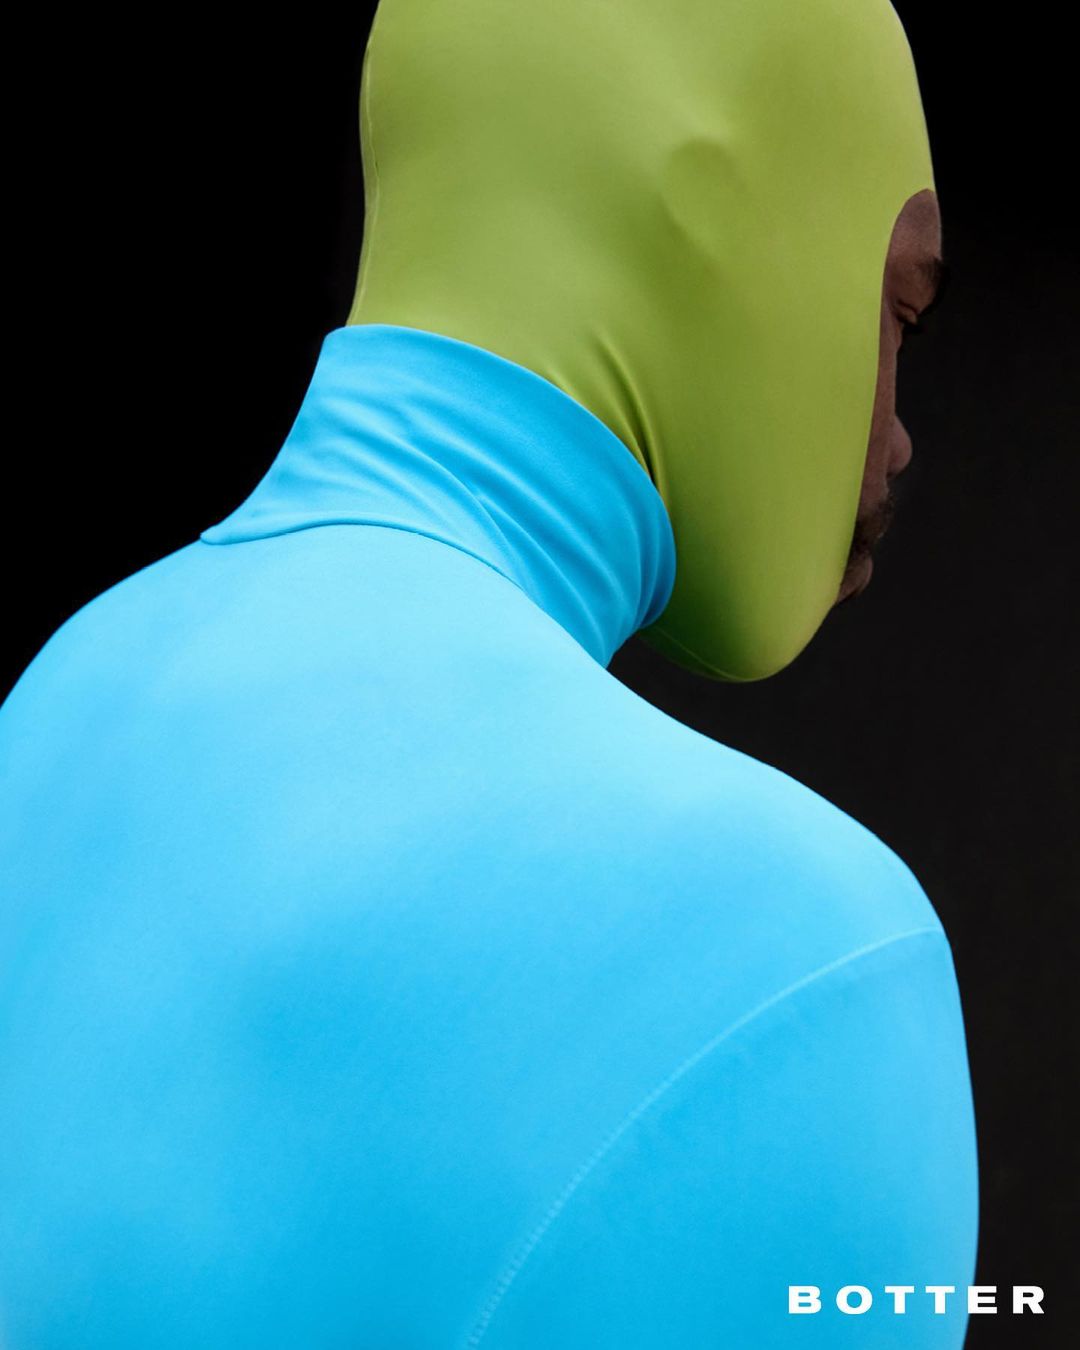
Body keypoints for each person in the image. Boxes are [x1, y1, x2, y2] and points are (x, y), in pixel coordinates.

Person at [0, 1, 977, 1345]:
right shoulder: (816, 965)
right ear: (709, 202)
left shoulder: (52, 706)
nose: (900, 437)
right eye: (901, 313)